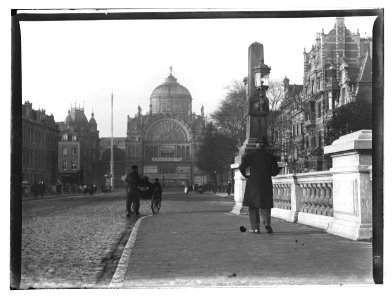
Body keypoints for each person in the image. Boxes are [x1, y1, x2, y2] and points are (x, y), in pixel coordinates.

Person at [239, 139, 280, 234]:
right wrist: (267, 173)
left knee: (253, 206)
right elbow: (274, 172)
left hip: (253, 183)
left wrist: (247, 176)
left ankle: (255, 228)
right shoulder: (270, 157)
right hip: (266, 183)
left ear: (256, 146)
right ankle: (266, 222)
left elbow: (242, 168)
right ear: (265, 146)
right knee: (265, 204)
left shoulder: (248, 156)